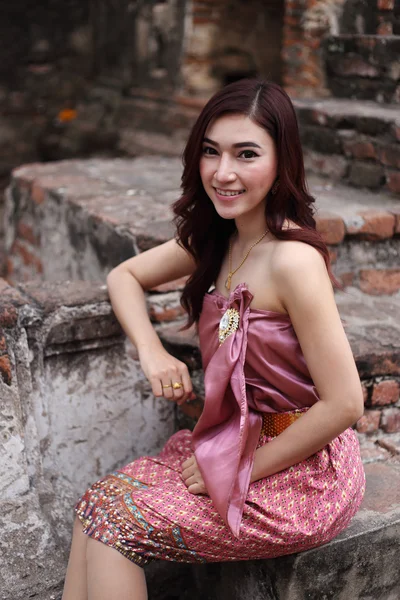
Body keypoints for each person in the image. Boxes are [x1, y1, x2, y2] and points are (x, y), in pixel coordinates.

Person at [62, 78, 365, 600]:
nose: (223, 173)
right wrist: (152, 351)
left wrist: (240, 466)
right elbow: (124, 278)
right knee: (96, 504)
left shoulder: (293, 261)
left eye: (246, 154)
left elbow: (345, 403)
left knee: (113, 524)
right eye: (210, 152)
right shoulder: (215, 238)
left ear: (281, 162)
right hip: (231, 438)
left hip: (301, 468)